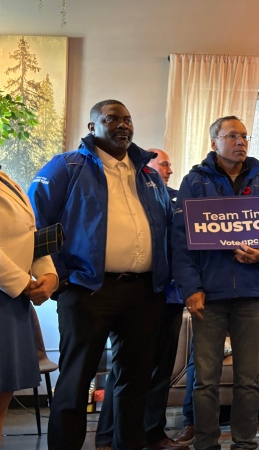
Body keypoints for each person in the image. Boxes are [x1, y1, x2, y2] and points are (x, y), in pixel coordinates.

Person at [30, 100, 173, 450]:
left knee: (135, 383)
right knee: (76, 382)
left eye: (127, 119)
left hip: (143, 292)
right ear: (93, 126)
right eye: (112, 119)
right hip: (87, 290)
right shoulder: (67, 166)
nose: (123, 125)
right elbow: (36, 223)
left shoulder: (148, 174)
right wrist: (60, 278)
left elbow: (168, 228)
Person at [172, 115, 259, 450]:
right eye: (232, 136)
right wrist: (191, 288)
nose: (240, 142)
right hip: (208, 295)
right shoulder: (194, 183)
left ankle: (244, 444)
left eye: (244, 136)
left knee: (248, 380)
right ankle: (206, 443)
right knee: (206, 380)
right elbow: (180, 242)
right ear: (214, 142)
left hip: (252, 294)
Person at [94, 148, 185, 450]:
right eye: (165, 164)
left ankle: (153, 433)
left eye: (170, 165)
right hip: (139, 296)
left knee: (160, 371)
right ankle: (107, 436)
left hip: (171, 297)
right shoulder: (126, 195)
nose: (169, 170)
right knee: (124, 371)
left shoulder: (176, 198)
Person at [0, 124, 58, 450]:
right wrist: (22, 283)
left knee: (0, 400)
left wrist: (47, 274)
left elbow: (29, 234)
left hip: (12, 302)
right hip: (4, 294)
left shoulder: (6, 179)